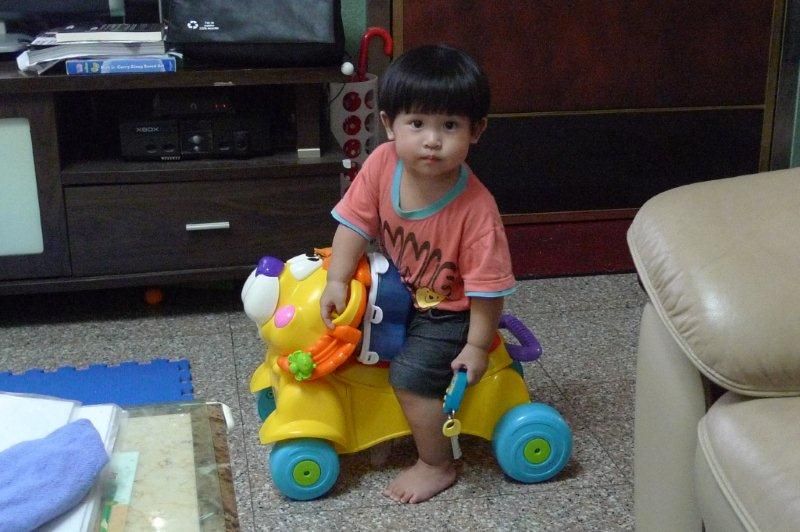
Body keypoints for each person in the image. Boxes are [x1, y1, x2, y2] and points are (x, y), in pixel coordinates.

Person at [320, 44, 516, 503]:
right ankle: (381, 424)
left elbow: (488, 291)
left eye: (449, 126)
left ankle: (436, 462)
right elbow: (353, 224)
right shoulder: (382, 163)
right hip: (399, 288)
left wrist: (476, 344)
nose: (432, 140)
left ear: (476, 130)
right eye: (417, 123)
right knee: (349, 343)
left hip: (451, 312)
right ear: (389, 124)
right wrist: (336, 280)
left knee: (409, 376)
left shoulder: (478, 212)